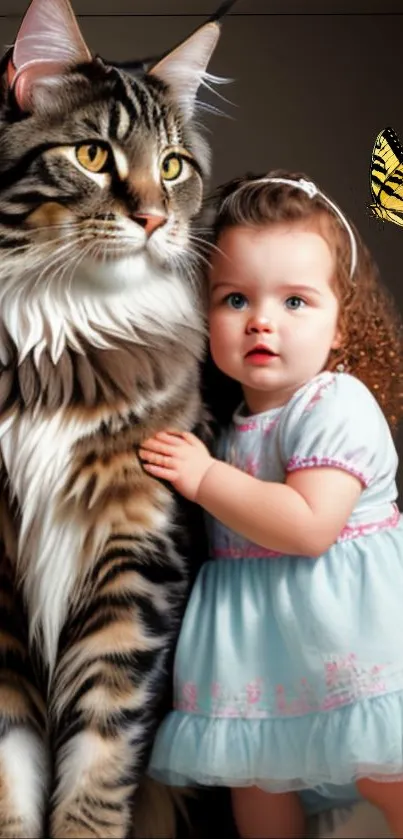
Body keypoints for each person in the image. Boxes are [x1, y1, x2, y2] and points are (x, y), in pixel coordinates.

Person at [139, 170, 403, 838]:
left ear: (342, 324)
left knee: (383, 770)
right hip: (260, 655)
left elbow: (309, 526)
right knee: (254, 786)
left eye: (294, 301)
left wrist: (202, 479)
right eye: (234, 299)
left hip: (346, 646)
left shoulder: (335, 404)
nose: (260, 319)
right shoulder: (228, 423)